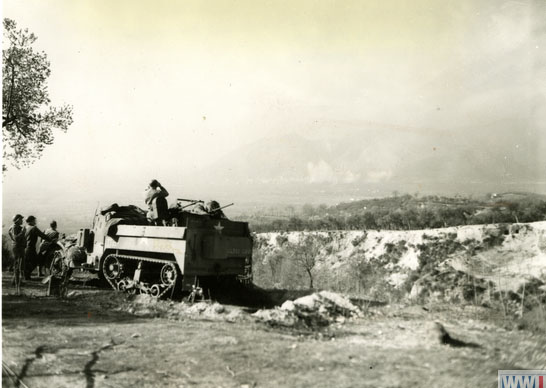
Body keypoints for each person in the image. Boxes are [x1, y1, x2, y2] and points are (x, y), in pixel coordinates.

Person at [8, 214, 26, 294]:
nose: (22, 220)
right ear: (17, 220)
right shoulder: (15, 227)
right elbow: (15, 238)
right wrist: (22, 232)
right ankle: (17, 287)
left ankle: (17, 285)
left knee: (19, 266)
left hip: (19, 248)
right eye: (21, 219)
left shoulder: (17, 227)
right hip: (17, 248)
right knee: (17, 266)